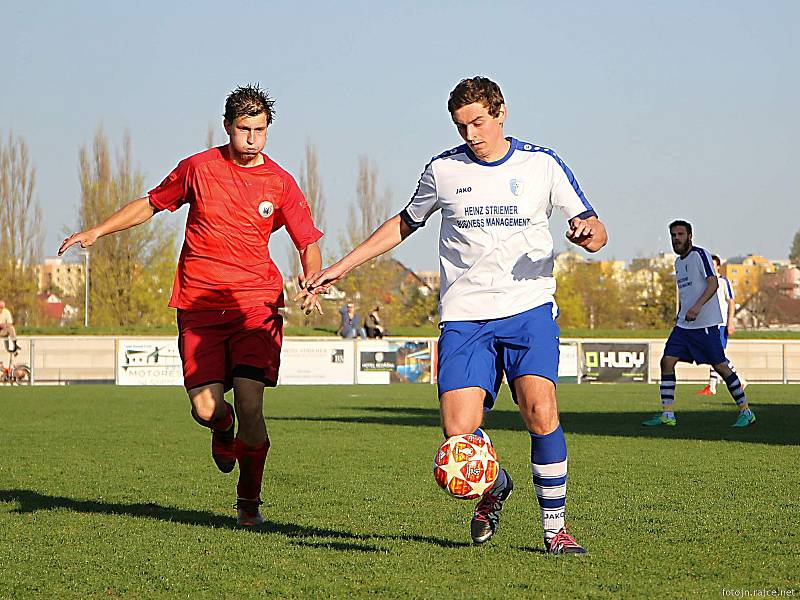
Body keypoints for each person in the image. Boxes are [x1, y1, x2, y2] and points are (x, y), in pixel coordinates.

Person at [302, 76, 607, 554]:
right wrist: (340, 266)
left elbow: (594, 226)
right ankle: (495, 485)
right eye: (462, 126)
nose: (471, 134)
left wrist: (589, 234)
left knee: (540, 411)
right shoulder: (443, 170)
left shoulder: (541, 164)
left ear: (501, 112)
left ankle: (555, 531)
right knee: (457, 435)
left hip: (527, 309)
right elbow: (404, 223)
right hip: (465, 317)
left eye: (479, 122)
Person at [59, 84, 323, 526]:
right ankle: (223, 428)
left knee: (252, 403)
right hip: (199, 304)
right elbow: (150, 204)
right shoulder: (198, 169)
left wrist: (312, 281)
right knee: (205, 409)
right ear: (226, 127)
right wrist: (97, 231)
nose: (253, 138)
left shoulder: (280, 182)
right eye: (244, 129)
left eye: (260, 130)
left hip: (255, 305)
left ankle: (249, 501)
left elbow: (308, 241)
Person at [643, 221, 755, 429]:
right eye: (673, 235)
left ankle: (745, 411)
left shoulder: (700, 255)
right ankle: (668, 413)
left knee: (720, 366)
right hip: (684, 326)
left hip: (705, 325)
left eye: (680, 234)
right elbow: (687, 292)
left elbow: (712, 283)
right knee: (667, 361)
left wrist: (697, 307)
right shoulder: (678, 262)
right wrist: (682, 313)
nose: (676, 238)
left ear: (690, 236)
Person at [697, 255, 747, 395]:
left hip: (721, 324)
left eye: (714, 264)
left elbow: (731, 301)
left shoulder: (723, 282)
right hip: (709, 323)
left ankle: (719, 384)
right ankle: (715, 385)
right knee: (713, 354)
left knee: (716, 354)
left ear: (718, 266)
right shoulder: (705, 282)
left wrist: (730, 322)